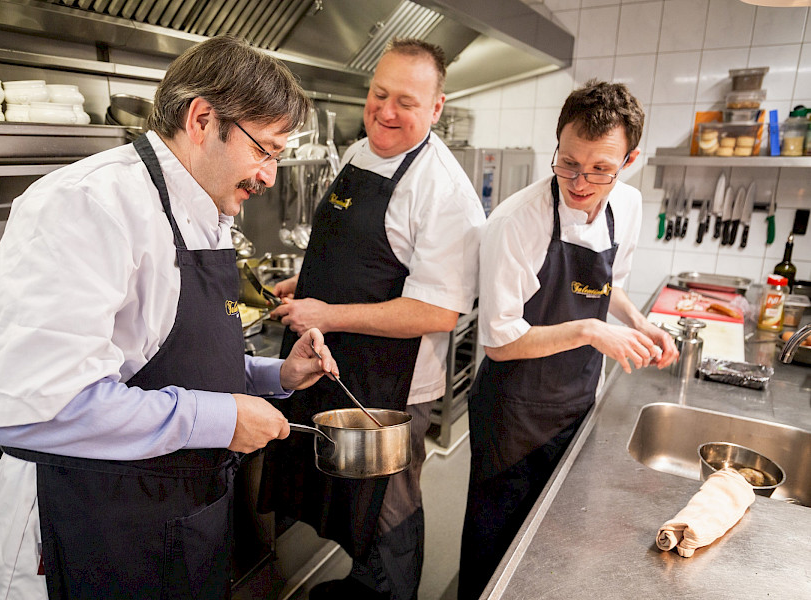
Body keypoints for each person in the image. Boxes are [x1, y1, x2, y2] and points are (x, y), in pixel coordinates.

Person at [0, 36, 336, 600]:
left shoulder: (205, 211)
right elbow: (34, 413)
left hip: (174, 524)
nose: (268, 175)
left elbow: (170, 359)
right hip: (84, 531)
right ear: (202, 119)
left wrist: (274, 377)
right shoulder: (86, 204)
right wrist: (218, 420)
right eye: (265, 149)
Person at [258, 39, 485, 600]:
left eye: (405, 101)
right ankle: (363, 587)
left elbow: (437, 309)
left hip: (392, 380)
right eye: (378, 94)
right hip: (340, 363)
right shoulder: (362, 152)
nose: (386, 111)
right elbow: (359, 254)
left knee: (387, 506)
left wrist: (328, 311)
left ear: (436, 108)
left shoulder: (443, 191)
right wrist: (306, 284)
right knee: (349, 499)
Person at [458, 79, 679, 600]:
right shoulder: (517, 220)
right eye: (568, 162)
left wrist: (637, 320)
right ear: (556, 144)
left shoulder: (627, 205)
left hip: (576, 398)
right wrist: (589, 329)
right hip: (512, 412)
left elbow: (611, 284)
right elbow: (500, 340)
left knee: (552, 539)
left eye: (600, 168)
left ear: (630, 160)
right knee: (494, 542)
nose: (580, 182)